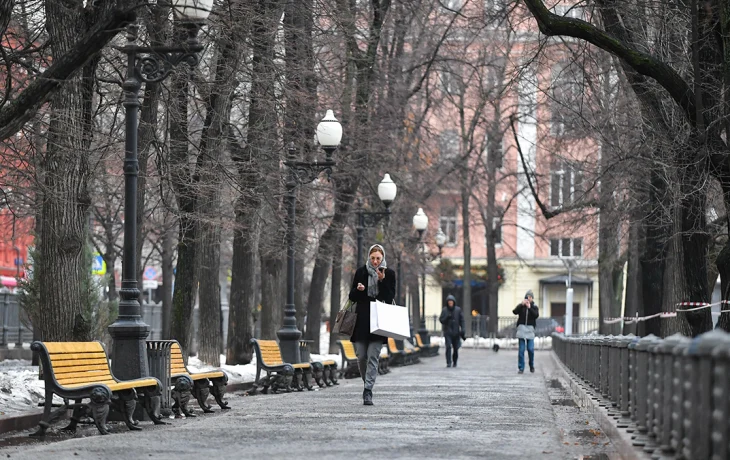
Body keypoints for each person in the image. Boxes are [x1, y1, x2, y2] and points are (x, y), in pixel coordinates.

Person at [348, 244, 396, 405]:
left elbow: (389, 298)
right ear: (369, 257)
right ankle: (366, 383)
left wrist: (382, 281)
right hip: (362, 319)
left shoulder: (388, 274)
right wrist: (359, 289)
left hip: (379, 320)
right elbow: (352, 296)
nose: (375, 261)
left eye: (378, 258)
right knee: (361, 356)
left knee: (373, 357)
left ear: (383, 259)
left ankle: (368, 390)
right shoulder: (361, 272)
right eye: (373, 258)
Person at [513, 289, 539, 374]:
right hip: (521, 329)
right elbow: (515, 311)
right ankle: (521, 367)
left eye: (530, 297)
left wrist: (529, 308)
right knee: (521, 350)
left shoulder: (534, 307)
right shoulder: (522, 306)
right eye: (527, 297)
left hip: (530, 330)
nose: (529, 299)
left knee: (530, 349)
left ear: (532, 298)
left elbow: (536, 315)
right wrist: (521, 304)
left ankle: (531, 365)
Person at [439, 295, 465, 368]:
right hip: (448, 332)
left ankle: (455, 361)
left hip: (456, 332)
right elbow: (441, 320)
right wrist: (447, 318)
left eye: (451, 302)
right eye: (449, 302)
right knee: (448, 347)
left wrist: (463, 329)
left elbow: (462, 320)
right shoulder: (444, 310)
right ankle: (448, 362)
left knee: (456, 348)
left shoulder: (458, 310)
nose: (450, 304)